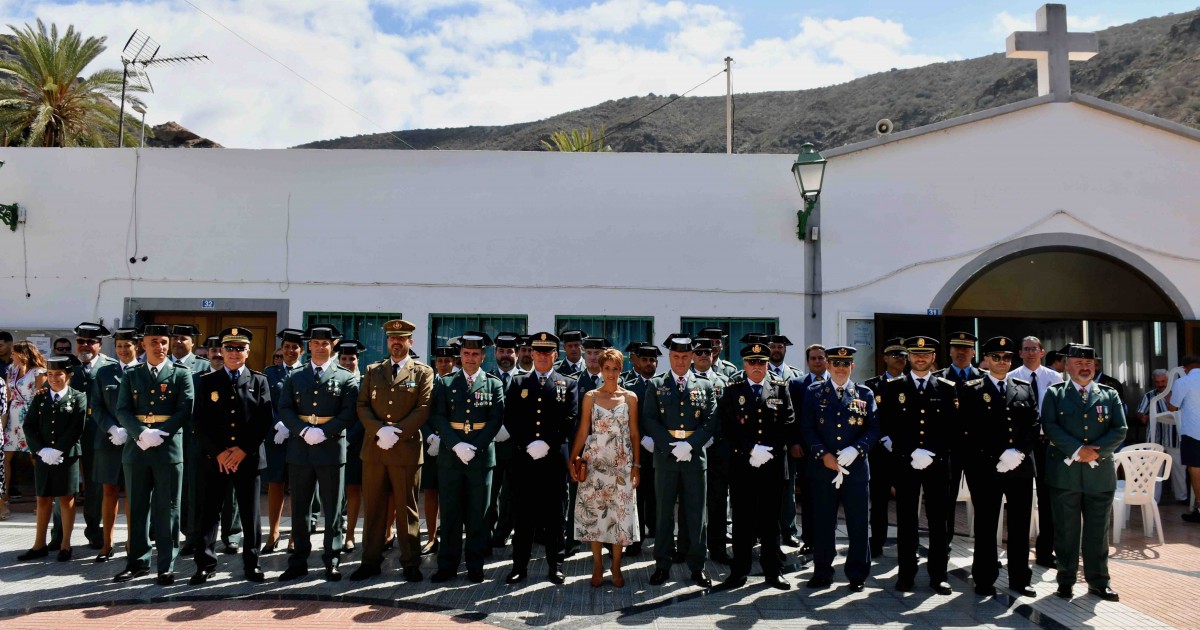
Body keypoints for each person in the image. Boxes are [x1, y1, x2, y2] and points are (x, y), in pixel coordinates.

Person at [1041, 343, 1126, 601]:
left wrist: (1095, 453)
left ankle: (1099, 581)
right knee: (1066, 531)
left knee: (1097, 532)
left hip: (1099, 474)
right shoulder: (1055, 394)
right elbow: (1049, 425)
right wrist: (1078, 450)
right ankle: (1065, 580)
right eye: (1078, 363)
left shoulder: (1109, 394)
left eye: (1089, 363)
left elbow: (1120, 429)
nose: (1085, 367)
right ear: (1067, 367)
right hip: (1064, 474)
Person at [113, 323, 196, 585]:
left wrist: (161, 433)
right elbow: (122, 409)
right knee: (137, 507)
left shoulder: (180, 373)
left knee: (168, 508)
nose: (159, 347)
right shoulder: (132, 373)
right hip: (137, 449)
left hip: (168, 449)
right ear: (143, 345)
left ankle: (166, 565)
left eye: (163, 342)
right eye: (154, 342)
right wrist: (140, 433)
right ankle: (137, 563)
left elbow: (186, 408)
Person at [351, 320, 433, 583]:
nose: (396, 342)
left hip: (405, 450)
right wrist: (378, 430)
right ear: (387, 342)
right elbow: (362, 405)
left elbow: (424, 408)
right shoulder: (373, 370)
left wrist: (396, 432)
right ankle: (370, 561)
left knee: (406, 507)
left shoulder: (422, 372)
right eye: (392, 338)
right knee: (373, 507)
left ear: (410, 342)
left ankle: (410, 562)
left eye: (402, 338)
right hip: (375, 450)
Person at [189, 327, 273, 584]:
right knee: (209, 513)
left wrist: (242, 450)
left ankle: (252, 563)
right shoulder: (207, 381)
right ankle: (205, 564)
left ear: (248, 352)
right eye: (229, 348)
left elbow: (264, 420)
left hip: (247, 459)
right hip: (216, 460)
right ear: (221, 352)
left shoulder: (259, 381)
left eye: (240, 348)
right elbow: (199, 422)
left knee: (250, 514)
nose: (234, 353)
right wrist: (220, 453)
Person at [958, 337, 1039, 598]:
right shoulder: (971, 388)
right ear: (986, 360)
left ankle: (1019, 578)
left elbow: (1034, 425)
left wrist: (1018, 453)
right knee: (986, 524)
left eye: (1006, 357)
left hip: (1020, 467)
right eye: (996, 357)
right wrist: (998, 455)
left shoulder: (1024, 387)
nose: (1001, 362)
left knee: (1019, 525)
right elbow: (968, 429)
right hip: (986, 468)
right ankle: (984, 578)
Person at [278, 323, 359, 582]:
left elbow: (349, 412)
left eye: (325, 343)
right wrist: (302, 430)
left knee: (333, 508)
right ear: (308, 346)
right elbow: (285, 408)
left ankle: (332, 559)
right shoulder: (295, 376)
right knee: (300, 507)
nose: (320, 347)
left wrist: (325, 432)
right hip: (300, 449)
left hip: (331, 448)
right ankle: (298, 560)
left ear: (333, 345)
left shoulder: (346, 377)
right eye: (315, 343)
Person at [881, 336, 958, 595]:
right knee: (906, 521)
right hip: (906, 462)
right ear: (909, 357)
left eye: (926, 354)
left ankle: (939, 576)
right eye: (915, 354)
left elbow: (953, 429)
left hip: (937, 464)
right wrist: (911, 451)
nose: (921, 358)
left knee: (939, 522)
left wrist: (932, 452)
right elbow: (888, 426)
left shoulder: (947, 388)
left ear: (934, 357)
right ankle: (906, 575)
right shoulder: (894, 388)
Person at [642, 333, 719, 588]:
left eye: (686, 356)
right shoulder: (656, 384)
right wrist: (669, 446)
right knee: (664, 515)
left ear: (693, 357)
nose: (681, 361)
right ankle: (662, 565)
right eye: (676, 356)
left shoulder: (705, 385)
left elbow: (711, 421)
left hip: (695, 458)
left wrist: (690, 445)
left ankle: (697, 567)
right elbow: (649, 419)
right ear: (670, 358)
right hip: (666, 458)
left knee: (696, 515)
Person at [429, 331, 506, 583]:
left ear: (483, 356)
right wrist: (456, 445)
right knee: (450, 513)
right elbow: (438, 417)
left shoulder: (493, 384)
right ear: (459, 356)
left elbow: (496, 420)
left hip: (481, 457)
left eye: (475, 354)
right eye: (466, 354)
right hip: (451, 457)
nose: (470, 358)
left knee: (478, 514)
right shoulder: (445, 382)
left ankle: (475, 564)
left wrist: (475, 447)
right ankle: (447, 565)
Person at [799, 346, 878, 591]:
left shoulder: (864, 393)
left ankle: (857, 574)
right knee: (823, 522)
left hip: (855, 469)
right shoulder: (814, 392)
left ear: (851, 367)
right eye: (836, 364)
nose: (841, 369)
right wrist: (823, 455)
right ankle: (822, 572)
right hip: (824, 468)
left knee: (857, 523)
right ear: (829, 367)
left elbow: (873, 428)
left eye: (846, 365)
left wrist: (857, 449)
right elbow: (807, 427)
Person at [503, 332, 578, 584]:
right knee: (522, 515)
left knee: (555, 516)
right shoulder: (518, 383)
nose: (543, 356)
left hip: (553, 460)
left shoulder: (567, 384)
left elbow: (570, 419)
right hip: (524, 460)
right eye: (539, 352)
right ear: (532, 354)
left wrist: (546, 443)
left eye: (548, 353)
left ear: (555, 356)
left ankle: (555, 565)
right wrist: (528, 443)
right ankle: (519, 566)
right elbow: (510, 417)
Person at [720, 341, 795, 590]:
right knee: (742, 520)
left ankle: (773, 571)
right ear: (744, 364)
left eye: (761, 362)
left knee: (770, 521)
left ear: (766, 364)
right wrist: (751, 449)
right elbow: (728, 425)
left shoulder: (780, 388)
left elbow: (789, 421)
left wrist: (768, 450)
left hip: (772, 465)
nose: (757, 367)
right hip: (743, 464)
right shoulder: (733, 390)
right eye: (752, 362)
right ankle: (739, 571)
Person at [569, 346, 639, 587]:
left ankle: (616, 566)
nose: (611, 373)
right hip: (595, 463)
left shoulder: (630, 397)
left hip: (621, 464)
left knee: (620, 516)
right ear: (600, 369)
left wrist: (636, 465)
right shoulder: (590, 397)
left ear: (621, 370)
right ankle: (598, 565)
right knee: (595, 517)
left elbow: (635, 434)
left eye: (615, 369)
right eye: (607, 368)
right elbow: (582, 430)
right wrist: (572, 458)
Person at [18, 355, 85, 562]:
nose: (54, 378)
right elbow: (28, 426)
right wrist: (41, 450)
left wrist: (58, 450)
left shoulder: (78, 397)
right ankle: (39, 544)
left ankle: (65, 544)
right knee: (43, 499)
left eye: (59, 374)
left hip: (67, 456)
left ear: (69, 375)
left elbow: (77, 427)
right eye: (50, 374)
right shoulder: (40, 396)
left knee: (66, 499)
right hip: (43, 457)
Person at [1008, 335, 1064, 568]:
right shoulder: (1011, 377)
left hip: (1046, 443)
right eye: (1026, 349)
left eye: (1035, 349)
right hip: (1021, 445)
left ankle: (1045, 551)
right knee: (1019, 500)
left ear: (1042, 352)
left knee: (1047, 498)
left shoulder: (1055, 377)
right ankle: (1015, 554)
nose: (1030, 352)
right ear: (1020, 353)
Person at [88, 328, 140, 562]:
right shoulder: (105, 372)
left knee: (134, 493)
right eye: (118, 346)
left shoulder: (143, 372)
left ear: (136, 346)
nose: (122, 350)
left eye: (126, 346)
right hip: (108, 440)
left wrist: (130, 431)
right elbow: (96, 406)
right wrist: (111, 428)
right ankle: (107, 544)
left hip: (137, 442)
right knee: (108, 491)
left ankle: (132, 542)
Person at [67, 322, 118, 552]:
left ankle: (94, 530)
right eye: (81, 341)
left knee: (96, 485)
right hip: (71, 433)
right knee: (64, 485)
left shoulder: (111, 367)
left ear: (100, 344)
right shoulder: (67, 366)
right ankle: (59, 534)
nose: (85, 345)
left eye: (90, 341)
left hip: (99, 433)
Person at [933, 332, 981, 546]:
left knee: (983, 502)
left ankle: (985, 550)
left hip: (977, 451)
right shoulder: (938, 380)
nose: (961, 353)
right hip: (948, 450)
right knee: (944, 502)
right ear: (950, 351)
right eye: (957, 348)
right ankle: (943, 546)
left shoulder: (984, 378)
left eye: (966, 348)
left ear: (973, 352)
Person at [863, 337, 906, 558]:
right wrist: (883, 438)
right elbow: (870, 418)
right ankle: (877, 542)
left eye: (903, 355)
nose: (900, 359)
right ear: (885, 358)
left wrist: (898, 440)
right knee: (878, 501)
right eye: (895, 355)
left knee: (906, 502)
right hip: (880, 452)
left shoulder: (911, 384)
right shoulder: (871, 386)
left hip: (906, 452)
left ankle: (908, 544)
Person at [691, 337, 732, 565]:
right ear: (692, 356)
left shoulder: (725, 381)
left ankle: (717, 548)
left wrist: (713, 437)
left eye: (708, 351)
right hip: (691, 449)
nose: (704, 355)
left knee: (717, 502)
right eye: (699, 352)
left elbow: (727, 415)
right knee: (691, 501)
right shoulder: (684, 380)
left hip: (718, 451)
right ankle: (689, 547)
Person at [786, 342, 830, 553]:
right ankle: (810, 539)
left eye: (821, 358)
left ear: (827, 360)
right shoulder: (796, 384)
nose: (817, 361)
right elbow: (791, 418)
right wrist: (793, 442)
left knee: (831, 498)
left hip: (833, 452)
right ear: (807, 361)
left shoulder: (838, 383)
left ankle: (827, 539)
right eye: (813, 358)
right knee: (810, 497)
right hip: (806, 451)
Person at [486, 331, 525, 550]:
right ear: (495, 353)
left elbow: (528, 414)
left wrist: (510, 430)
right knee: (489, 493)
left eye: (509, 351)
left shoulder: (525, 380)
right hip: (489, 445)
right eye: (501, 351)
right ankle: (486, 531)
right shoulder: (487, 378)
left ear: (517, 353)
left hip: (514, 446)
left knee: (509, 495)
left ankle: (502, 533)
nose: (505, 355)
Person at [622, 342, 660, 556]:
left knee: (659, 496)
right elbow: (625, 416)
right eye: (645, 359)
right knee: (636, 496)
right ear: (637, 361)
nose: (649, 363)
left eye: (652, 360)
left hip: (660, 449)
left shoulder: (663, 383)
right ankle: (635, 540)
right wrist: (643, 436)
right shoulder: (627, 384)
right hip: (635, 449)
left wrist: (658, 439)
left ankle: (659, 536)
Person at [421, 344, 457, 555]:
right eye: (440, 361)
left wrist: (446, 438)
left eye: (448, 360)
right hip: (430, 445)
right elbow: (421, 412)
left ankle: (449, 535)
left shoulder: (457, 382)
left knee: (450, 493)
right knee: (431, 491)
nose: (444, 364)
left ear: (454, 362)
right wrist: (430, 436)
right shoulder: (427, 382)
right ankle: (431, 536)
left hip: (452, 445)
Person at [5, 342, 47, 511]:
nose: (11, 356)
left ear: (23, 354)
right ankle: (4, 498)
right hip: (13, 416)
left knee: (34, 458)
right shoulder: (11, 369)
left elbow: (41, 398)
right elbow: (8, 395)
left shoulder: (39, 371)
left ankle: (42, 500)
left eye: (14, 353)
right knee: (4, 457)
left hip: (31, 416)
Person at [336, 339, 366, 554]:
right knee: (333, 492)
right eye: (344, 358)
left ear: (358, 361)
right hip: (331, 442)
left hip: (356, 444)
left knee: (353, 489)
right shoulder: (333, 380)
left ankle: (350, 535)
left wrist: (349, 437)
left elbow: (364, 415)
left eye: (351, 359)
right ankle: (334, 531)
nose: (348, 362)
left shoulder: (364, 382)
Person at [1169, 356, 1200, 523]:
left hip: (1193, 432)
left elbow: (1173, 406)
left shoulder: (1183, 382)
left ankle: (1199, 508)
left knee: (1195, 470)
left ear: (1185, 368)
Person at [1131, 369, 1169, 447]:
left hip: (1174, 439)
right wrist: (1143, 416)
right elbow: (1139, 412)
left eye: (1163, 381)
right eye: (1157, 382)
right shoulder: (1149, 396)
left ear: (1169, 380)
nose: (1160, 384)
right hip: (1155, 439)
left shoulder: (1177, 394)